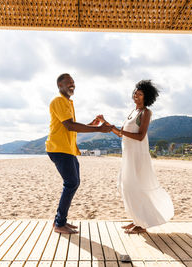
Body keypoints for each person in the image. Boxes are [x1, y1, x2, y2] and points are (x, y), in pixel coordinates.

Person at [98, 80, 174, 234]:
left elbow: (140, 136)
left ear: (146, 97)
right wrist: (105, 123)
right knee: (126, 186)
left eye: (140, 94)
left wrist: (117, 129)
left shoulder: (146, 112)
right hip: (128, 155)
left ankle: (142, 224)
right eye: (135, 93)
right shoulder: (132, 113)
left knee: (136, 187)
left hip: (138, 156)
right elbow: (121, 133)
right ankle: (137, 220)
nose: (136, 96)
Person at [46, 73, 113, 234]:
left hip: (67, 149)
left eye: (73, 83)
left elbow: (71, 127)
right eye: (68, 83)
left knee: (73, 183)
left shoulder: (68, 102)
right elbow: (70, 126)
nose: (72, 85)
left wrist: (91, 124)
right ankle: (59, 223)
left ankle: (60, 222)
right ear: (59, 86)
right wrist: (98, 129)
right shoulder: (59, 101)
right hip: (59, 149)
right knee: (71, 183)